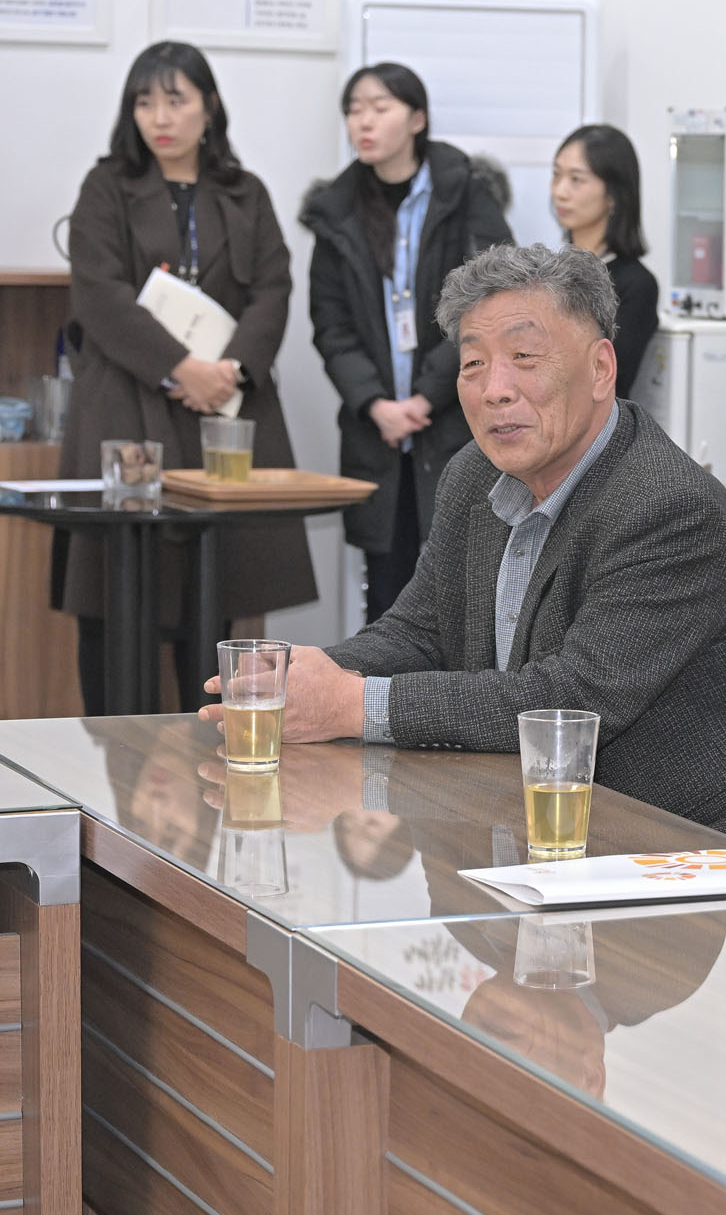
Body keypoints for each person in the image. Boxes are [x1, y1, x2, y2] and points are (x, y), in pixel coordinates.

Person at [199, 243, 726, 873]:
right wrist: (307, 680)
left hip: (710, 859)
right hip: (543, 835)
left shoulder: (668, 505)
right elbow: (419, 632)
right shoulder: (473, 476)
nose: (495, 390)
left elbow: (569, 701)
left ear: (601, 368)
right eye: (473, 364)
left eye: (524, 358)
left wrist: (351, 703)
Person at [60, 40, 317, 712]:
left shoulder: (245, 191)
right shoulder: (106, 186)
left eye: (175, 100)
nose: (159, 117)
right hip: (128, 404)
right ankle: (112, 754)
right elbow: (98, 294)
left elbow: (273, 288)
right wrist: (180, 368)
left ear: (209, 106)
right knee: (115, 591)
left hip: (224, 412)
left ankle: (214, 738)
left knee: (218, 584)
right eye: (144, 102)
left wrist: (229, 371)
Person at [302, 61, 514, 623]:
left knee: (470, 594)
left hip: (456, 422)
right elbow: (331, 324)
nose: (363, 122)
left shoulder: (465, 193)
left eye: (380, 107)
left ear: (417, 119)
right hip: (378, 434)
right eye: (354, 110)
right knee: (389, 602)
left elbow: (488, 301)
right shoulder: (337, 210)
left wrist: (426, 396)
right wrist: (376, 404)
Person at [551, 124, 658, 398]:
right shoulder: (548, 274)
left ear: (613, 194)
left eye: (576, 179)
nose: (560, 191)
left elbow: (607, 378)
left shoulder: (636, 285)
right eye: (556, 175)